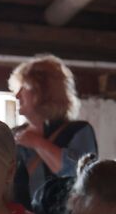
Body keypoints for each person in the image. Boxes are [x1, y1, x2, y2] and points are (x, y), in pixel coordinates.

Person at [9, 54, 98, 204]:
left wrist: (37, 143)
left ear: (43, 92)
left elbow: (81, 176)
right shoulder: (13, 134)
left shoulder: (78, 131)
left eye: (24, 87)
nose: (17, 95)